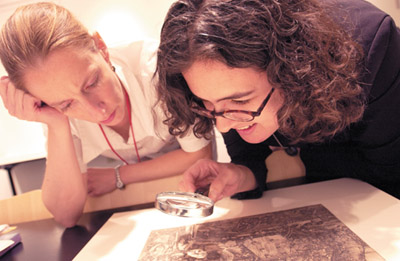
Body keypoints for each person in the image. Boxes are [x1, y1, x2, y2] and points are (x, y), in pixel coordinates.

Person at [155, 0, 400, 202]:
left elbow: (388, 171)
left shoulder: (373, 47)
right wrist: (240, 173)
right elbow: (249, 156)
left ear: (290, 69)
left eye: (239, 101)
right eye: (206, 103)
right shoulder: (226, 102)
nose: (223, 126)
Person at [0, 2, 212, 227]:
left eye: (92, 83)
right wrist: (57, 123)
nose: (96, 111)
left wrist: (118, 176)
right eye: (67, 104)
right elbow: (66, 215)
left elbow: (199, 155)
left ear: (101, 48)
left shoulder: (156, 70)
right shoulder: (56, 107)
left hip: (190, 191)